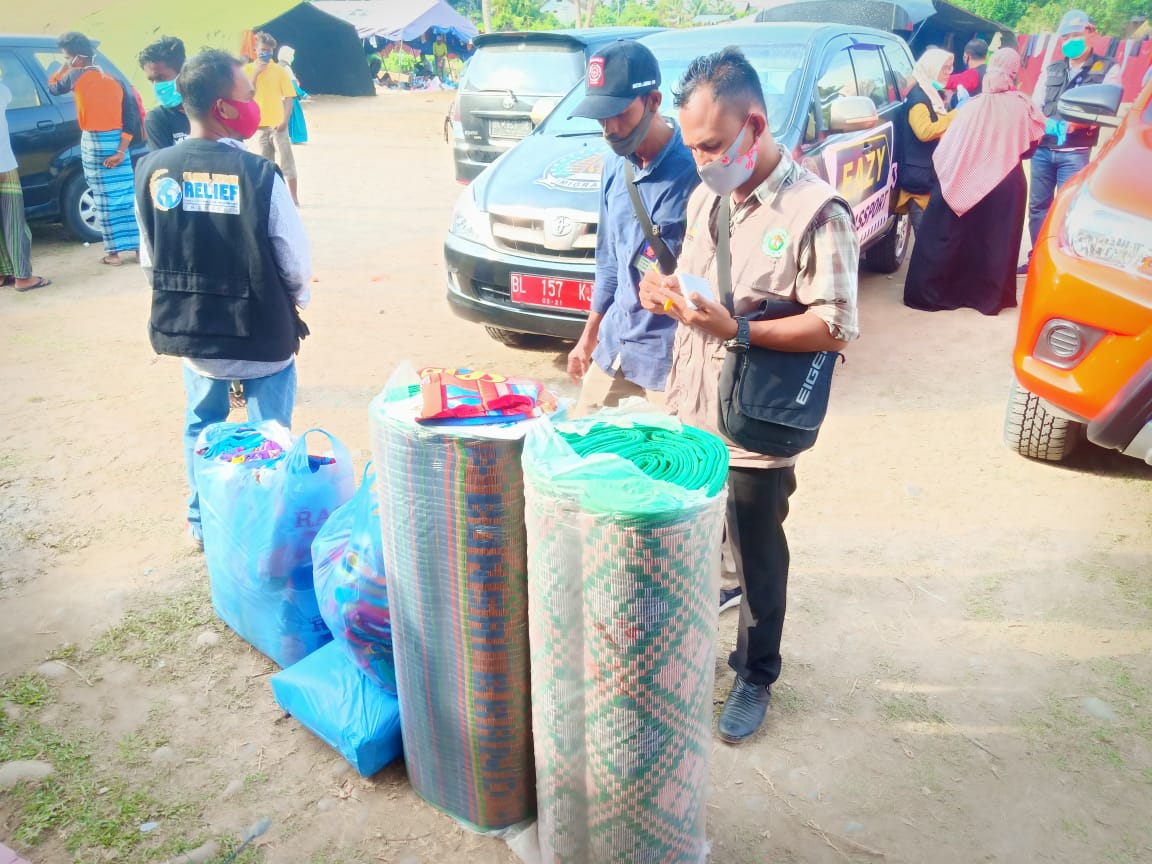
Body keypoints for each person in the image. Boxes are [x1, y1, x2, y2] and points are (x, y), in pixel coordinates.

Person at [638, 47, 860, 744]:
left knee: (758, 555)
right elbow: (699, 285)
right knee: (691, 543)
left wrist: (738, 330)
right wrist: (664, 292)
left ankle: (756, 675)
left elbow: (834, 325)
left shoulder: (817, 212)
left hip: (756, 425)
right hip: (693, 411)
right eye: (693, 145)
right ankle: (689, 651)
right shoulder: (709, 196)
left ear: (753, 125)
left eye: (710, 144)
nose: (700, 160)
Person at [134, 48, 312, 549]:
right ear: (223, 107)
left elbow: (151, 259)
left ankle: (202, 524)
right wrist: (295, 304)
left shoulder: (151, 170)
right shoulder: (260, 176)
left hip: (194, 336)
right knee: (271, 433)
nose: (255, 103)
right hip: (263, 337)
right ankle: (265, 526)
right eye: (248, 95)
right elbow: (294, 263)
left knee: (201, 426)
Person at [565, 40, 699, 415]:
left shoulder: (695, 171)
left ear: (653, 102)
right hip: (614, 347)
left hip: (667, 360)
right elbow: (609, 259)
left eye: (619, 114)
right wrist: (588, 336)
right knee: (581, 447)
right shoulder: (614, 165)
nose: (609, 129)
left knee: (667, 465)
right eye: (600, 117)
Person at [903, 49, 1046, 316]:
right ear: (1014, 72)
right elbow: (1029, 148)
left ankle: (939, 294)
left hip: (963, 176)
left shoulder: (969, 106)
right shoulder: (1022, 105)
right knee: (995, 241)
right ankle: (988, 299)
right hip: (1006, 181)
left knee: (955, 236)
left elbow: (948, 148)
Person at [1024, 10, 1122, 272]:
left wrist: (1078, 123)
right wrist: (1046, 123)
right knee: (1038, 207)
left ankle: (1063, 264)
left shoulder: (1107, 68)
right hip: (1044, 149)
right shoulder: (1053, 67)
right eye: (1065, 37)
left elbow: (1107, 108)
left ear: (1092, 34)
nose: (1070, 41)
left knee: (1067, 209)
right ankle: (1038, 260)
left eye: (1075, 35)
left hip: (1075, 151)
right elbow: (1036, 105)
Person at [48, 31, 140, 266]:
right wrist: (120, 151)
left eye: (67, 57)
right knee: (125, 196)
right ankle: (139, 248)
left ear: (77, 58)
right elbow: (131, 117)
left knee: (102, 198)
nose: (67, 61)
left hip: (93, 144)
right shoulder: (114, 79)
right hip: (119, 144)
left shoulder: (75, 76)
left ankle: (114, 254)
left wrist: (62, 68)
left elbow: (53, 88)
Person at [895, 48, 954, 236]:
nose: (948, 73)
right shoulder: (919, 98)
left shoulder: (930, 94)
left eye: (950, 68)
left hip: (925, 176)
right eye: (944, 68)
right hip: (918, 180)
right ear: (931, 68)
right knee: (926, 240)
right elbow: (924, 131)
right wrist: (954, 116)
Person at [0, 78, 51, 291]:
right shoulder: (2, 90)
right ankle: (22, 277)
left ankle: (3, 273)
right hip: (3, 165)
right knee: (13, 222)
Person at [246, 32, 300, 206]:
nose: (265, 53)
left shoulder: (279, 71)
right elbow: (247, 95)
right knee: (265, 165)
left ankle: (294, 199)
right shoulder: (247, 70)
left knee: (287, 162)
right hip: (258, 126)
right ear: (255, 49)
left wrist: (284, 121)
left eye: (269, 50)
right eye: (262, 49)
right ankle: (269, 199)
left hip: (278, 125)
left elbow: (289, 98)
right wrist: (255, 73)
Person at [139, 36, 190, 150]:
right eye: (151, 80)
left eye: (161, 78)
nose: (156, 85)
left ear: (183, 71)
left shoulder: (211, 108)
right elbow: (163, 165)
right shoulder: (156, 120)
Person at [278, 46, 309, 146]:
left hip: (280, 97)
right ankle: (296, 137)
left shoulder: (278, 66)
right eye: (291, 55)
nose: (292, 57)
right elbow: (293, 84)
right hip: (290, 97)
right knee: (295, 117)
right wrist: (303, 94)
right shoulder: (286, 68)